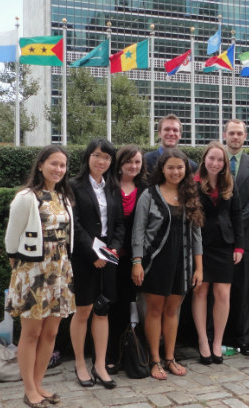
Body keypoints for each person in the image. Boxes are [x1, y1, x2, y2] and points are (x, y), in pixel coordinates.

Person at [5, 145, 75, 408]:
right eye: (54, 164)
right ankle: (29, 389)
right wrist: (22, 269)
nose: (59, 169)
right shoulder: (26, 197)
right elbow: (12, 240)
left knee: (51, 332)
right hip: (34, 271)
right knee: (32, 332)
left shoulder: (64, 197)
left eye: (63, 165)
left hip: (60, 271)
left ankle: (38, 382)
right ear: (41, 164)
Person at [131, 149, 204, 379]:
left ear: (186, 170)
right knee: (153, 311)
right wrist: (137, 262)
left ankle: (170, 357)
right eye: (171, 167)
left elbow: (196, 235)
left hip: (181, 263)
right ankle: (154, 360)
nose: (175, 171)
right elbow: (138, 231)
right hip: (154, 262)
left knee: (173, 311)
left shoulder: (190, 195)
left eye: (180, 167)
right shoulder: (149, 195)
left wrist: (199, 268)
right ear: (162, 168)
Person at [69, 139, 124, 389]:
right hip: (84, 258)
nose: (101, 161)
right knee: (83, 311)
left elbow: (120, 223)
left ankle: (100, 364)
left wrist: (112, 249)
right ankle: (80, 363)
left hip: (109, 257)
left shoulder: (113, 187)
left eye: (107, 158)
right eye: (97, 155)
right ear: (88, 156)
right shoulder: (74, 185)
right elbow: (75, 225)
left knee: (102, 310)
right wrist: (94, 255)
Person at [192, 141, 244, 365]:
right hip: (200, 246)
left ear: (224, 164)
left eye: (219, 159)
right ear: (205, 160)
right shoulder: (192, 184)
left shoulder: (229, 185)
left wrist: (239, 246)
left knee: (223, 294)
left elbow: (237, 216)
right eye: (211, 158)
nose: (215, 163)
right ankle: (203, 341)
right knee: (201, 292)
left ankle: (217, 343)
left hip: (224, 245)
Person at [223, 119, 249, 356]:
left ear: (245, 136)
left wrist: (235, 223)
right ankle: (221, 337)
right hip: (218, 238)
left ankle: (244, 338)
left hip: (245, 237)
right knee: (219, 290)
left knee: (243, 290)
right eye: (232, 133)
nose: (235, 137)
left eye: (239, 133)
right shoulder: (217, 160)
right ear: (225, 134)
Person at [106, 144, 147, 371]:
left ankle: (128, 352)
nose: (133, 166)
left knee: (129, 306)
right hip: (111, 255)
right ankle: (109, 354)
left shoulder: (146, 188)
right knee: (110, 306)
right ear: (120, 164)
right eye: (128, 162)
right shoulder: (108, 186)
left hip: (135, 257)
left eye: (137, 162)